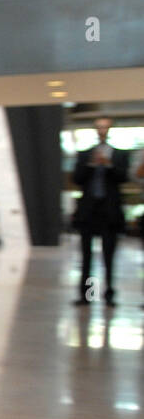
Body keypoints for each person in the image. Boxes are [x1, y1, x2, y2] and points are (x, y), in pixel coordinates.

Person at [71, 117, 129, 306]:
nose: (102, 130)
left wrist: (109, 165)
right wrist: (91, 165)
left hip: (109, 212)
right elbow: (77, 178)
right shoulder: (86, 155)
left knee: (109, 256)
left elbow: (123, 178)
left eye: (105, 127)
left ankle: (109, 294)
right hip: (89, 211)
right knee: (86, 257)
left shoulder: (119, 155)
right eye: (99, 127)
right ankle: (87, 295)